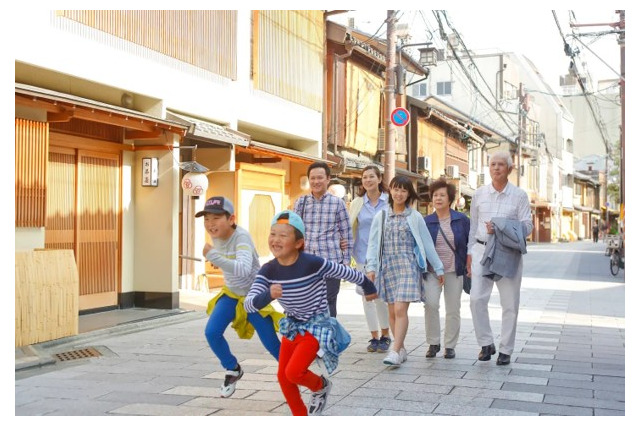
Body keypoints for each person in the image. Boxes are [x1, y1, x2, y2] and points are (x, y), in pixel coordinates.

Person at [244, 210, 377, 416]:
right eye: (272, 234)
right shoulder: (268, 270)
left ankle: (320, 385)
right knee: (283, 377)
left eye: (283, 235)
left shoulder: (313, 264)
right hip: (293, 326)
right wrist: (267, 295)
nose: (275, 240)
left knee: (294, 372)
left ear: (298, 243)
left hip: (316, 325)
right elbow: (249, 304)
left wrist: (368, 287)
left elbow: (348, 272)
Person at [197, 196, 282, 398]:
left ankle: (295, 373)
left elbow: (243, 269)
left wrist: (214, 257)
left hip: (254, 296)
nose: (210, 224)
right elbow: (229, 262)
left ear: (231, 218)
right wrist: (220, 259)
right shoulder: (216, 235)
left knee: (272, 344)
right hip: (232, 293)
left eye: (216, 218)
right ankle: (233, 368)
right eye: (206, 219)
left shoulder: (241, 237)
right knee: (212, 332)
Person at [365, 175, 444, 367]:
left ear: (409, 194)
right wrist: (371, 267)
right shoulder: (381, 216)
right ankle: (401, 349)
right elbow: (373, 244)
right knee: (392, 311)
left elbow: (426, 243)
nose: (399, 193)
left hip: (408, 265)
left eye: (403, 190)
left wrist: (438, 267)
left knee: (400, 308)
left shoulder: (415, 217)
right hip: (388, 266)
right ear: (390, 191)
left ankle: (394, 350)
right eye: (396, 189)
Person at [467, 151, 533, 366]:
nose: (496, 168)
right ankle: (486, 343)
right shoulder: (478, 194)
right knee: (476, 298)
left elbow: (527, 226)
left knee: (510, 303)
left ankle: (505, 349)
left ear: (510, 169)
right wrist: (469, 253)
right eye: (493, 164)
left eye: (501, 165)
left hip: (508, 252)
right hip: (481, 250)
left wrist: (502, 226)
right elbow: (473, 226)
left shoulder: (519, 195)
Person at [294, 161, 352, 318]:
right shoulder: (301, 202)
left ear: (328, 179)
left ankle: (329, 339)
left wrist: (346, 264)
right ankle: (312, 340)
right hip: (306, 263)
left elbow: (346, 234)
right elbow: (294, 232)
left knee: (328, 302)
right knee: (307, 303)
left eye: (320, 178)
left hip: (331, 262)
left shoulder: (338, 203)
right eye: (312, 178)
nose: (316, 182)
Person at [423, 179, 470, 360]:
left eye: (442, 195)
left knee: (453, 309)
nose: (438, 198)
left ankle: (450, 345)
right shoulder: (426, 221)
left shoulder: (461, 220)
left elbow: (469, 244)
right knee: (431, 304)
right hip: (432, 271)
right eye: (435, 195)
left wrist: (469, 264)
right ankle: (433, 342)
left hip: (453, 270)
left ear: (450, 198)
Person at [349, 165, 392, 353]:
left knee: (381, 296)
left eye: (371, 176)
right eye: (364, 177)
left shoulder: (389, 201)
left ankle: (386, 335)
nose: (367, 180)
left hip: (384, 256)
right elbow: (350, 226)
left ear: (379, 178)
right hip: (362, 255)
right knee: (367, 298)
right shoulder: (357, 203)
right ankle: (374, 336)